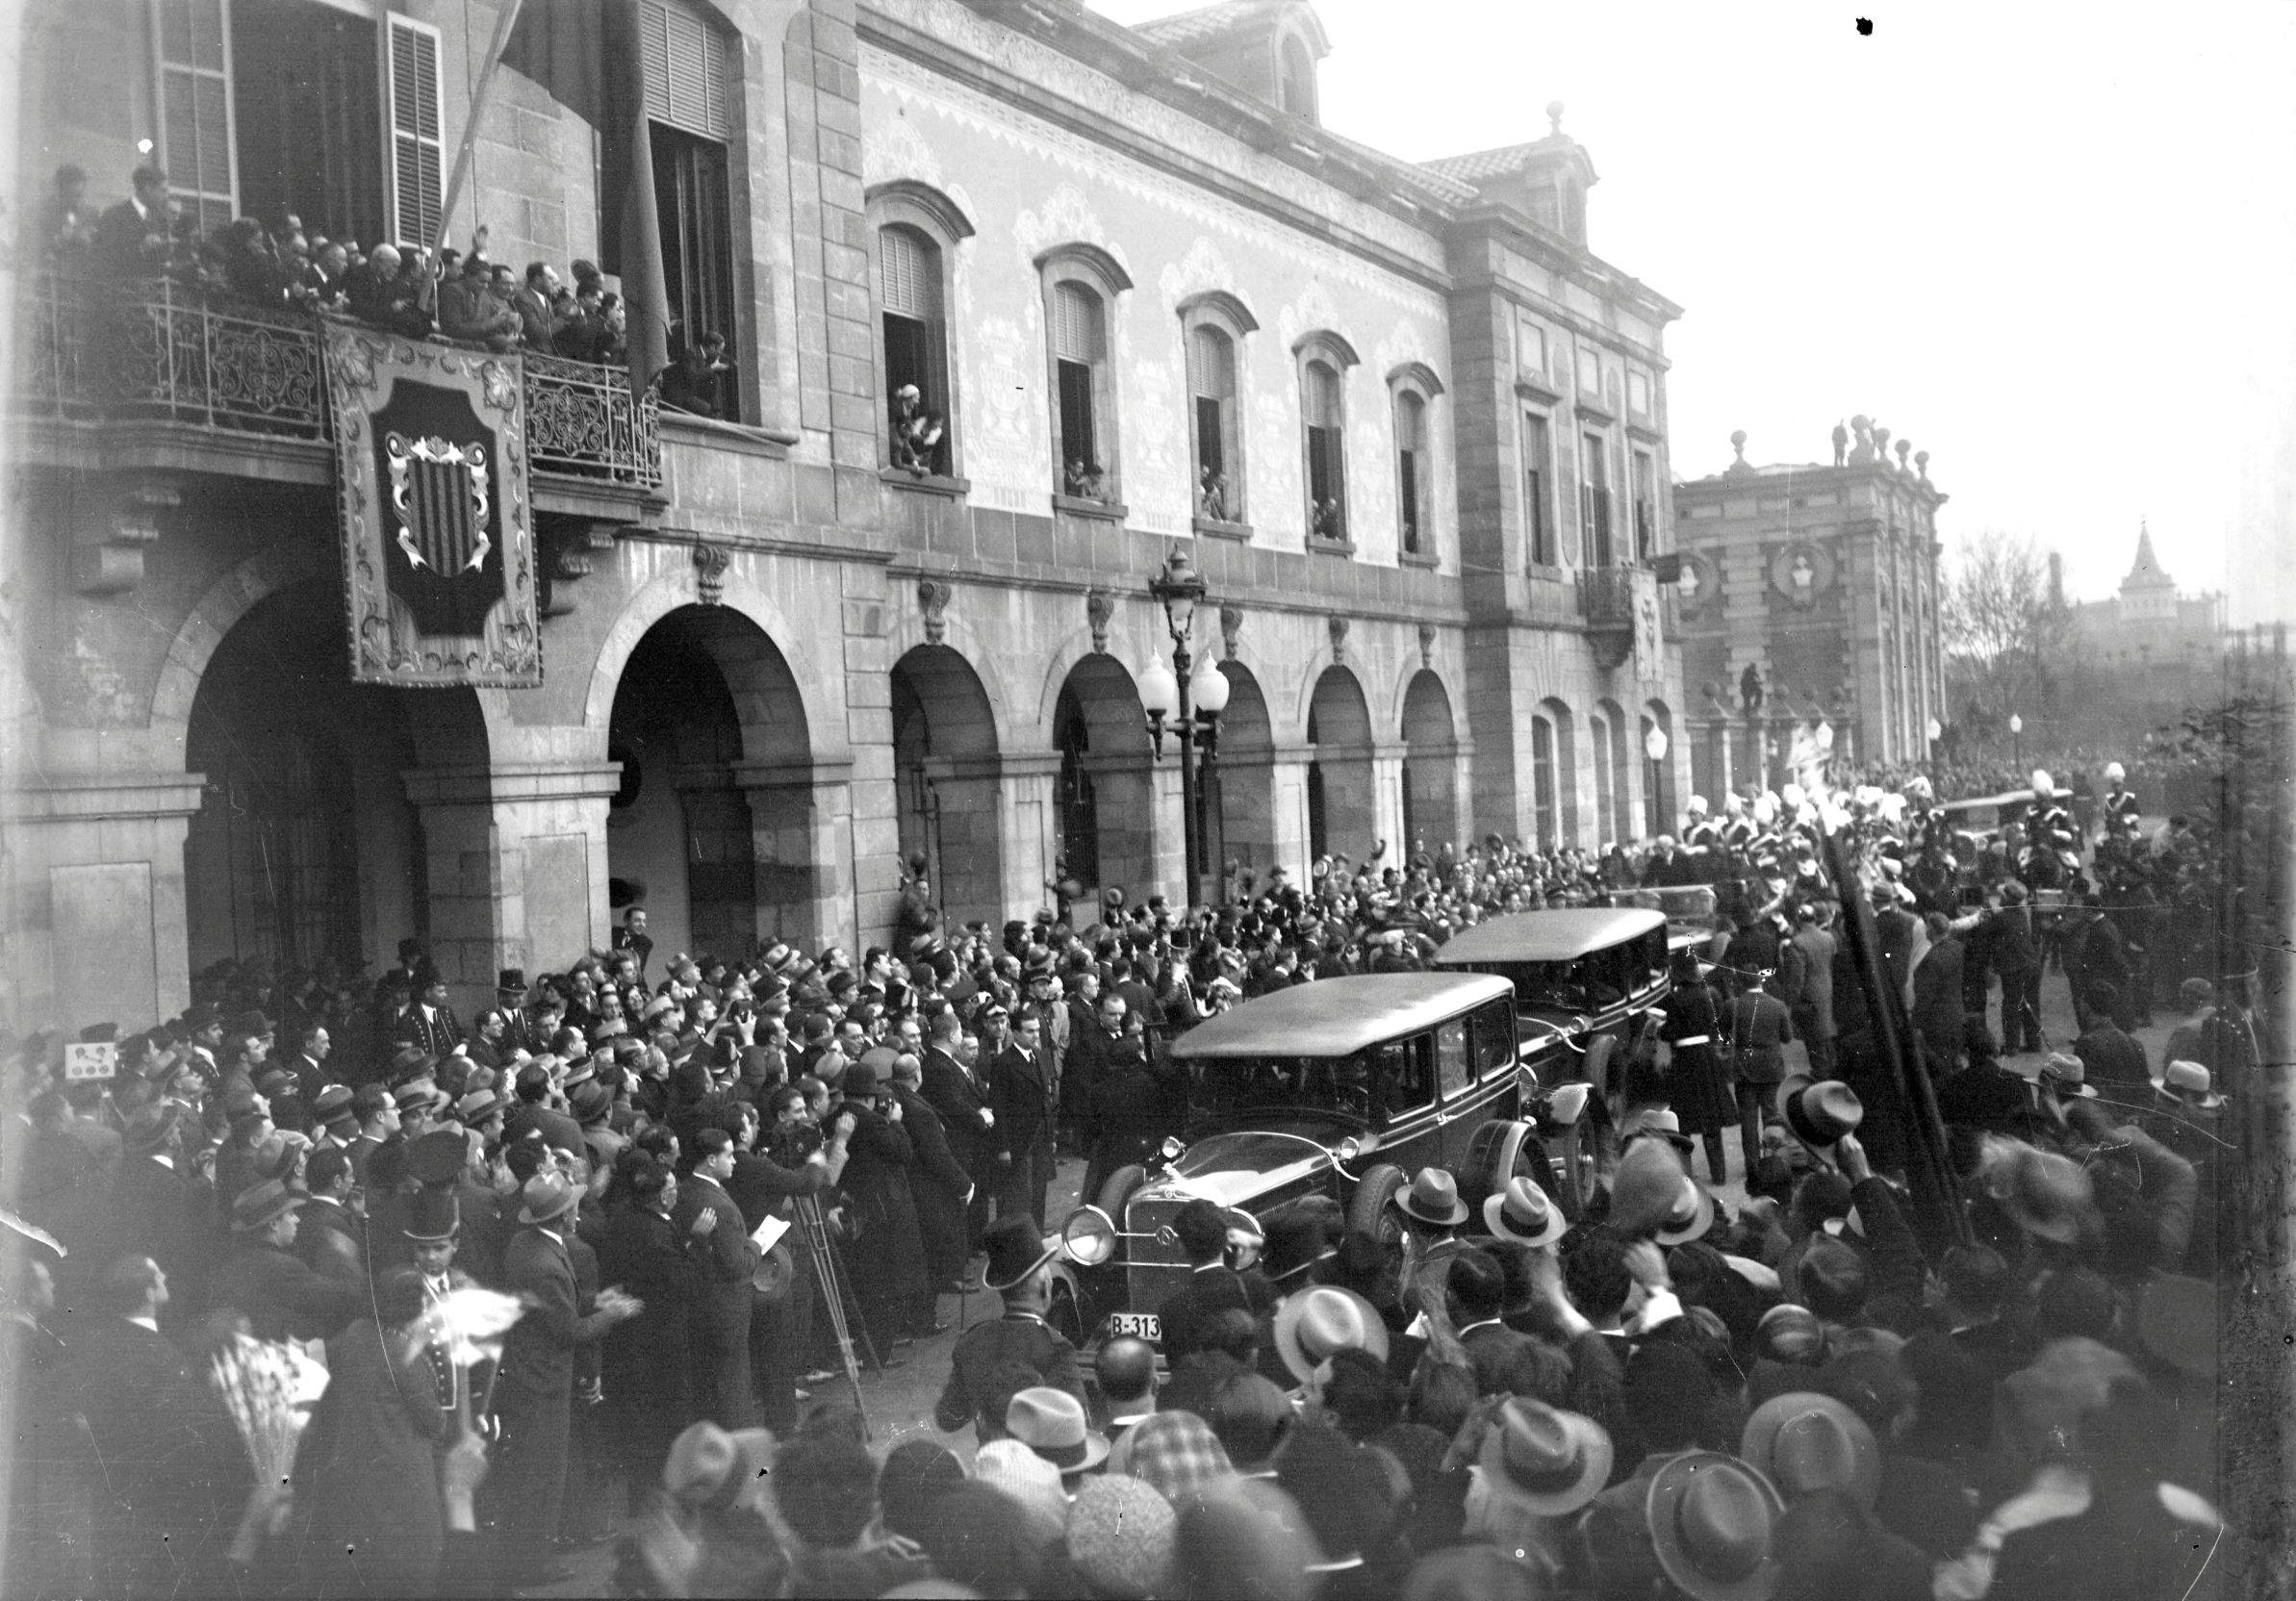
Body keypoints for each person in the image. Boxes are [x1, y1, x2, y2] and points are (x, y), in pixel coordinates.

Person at [482, 1170, 641, 1588]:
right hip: (543, 1381)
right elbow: (570, 1330)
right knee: (543, 1476)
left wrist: (592, 1299)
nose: (577, 1211)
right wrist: (610, 1313)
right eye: (572, 1205)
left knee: (533, 1472)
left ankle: (528, 1555)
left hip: (526, 1373)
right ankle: (533, 1563)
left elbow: (556, 1304)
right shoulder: (546, 1262)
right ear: (564, 1217)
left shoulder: (526, 1246)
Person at [288, 1268, 459, 1596]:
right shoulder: (405, 1353)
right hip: (404, 1482)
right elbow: (434, 1423)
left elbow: (313, 1356)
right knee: (413, 1567)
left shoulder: (356, 1333)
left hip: (359, 1478)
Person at [933, 1215, 1085, 1445]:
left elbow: (948, 1418)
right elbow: (1080, 1426)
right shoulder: (1056, 1348)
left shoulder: (973, 1341)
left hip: (989, 1465)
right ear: (1045, 1286)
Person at [674, 1128, 764, 1429]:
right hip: (728, 1307)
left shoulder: (685, 1190)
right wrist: (757, 1244)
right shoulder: (721, 1205)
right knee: (734, 1385)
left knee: (711, 1385)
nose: (734, 1161)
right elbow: (737, 1265)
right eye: (728, 1156)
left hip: (701, 1302)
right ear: (711, 1160)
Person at [987, 1006, 1058, 1229]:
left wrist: (1051, 1135)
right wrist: (1003, 1147)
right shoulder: (1004, 1063)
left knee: (1039, 1191)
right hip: (1018, 1140)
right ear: (1015, 1033)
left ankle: (1037, 1235)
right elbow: (999, 1108)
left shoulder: (1040, 1055)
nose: (1036, 1035)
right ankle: (1018, 1241)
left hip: (1040, 1137)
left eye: (1037, 1030)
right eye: (1029, 1031)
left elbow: (1047, 1097)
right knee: (1018, 1194)